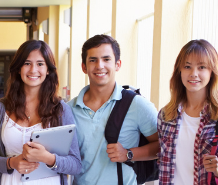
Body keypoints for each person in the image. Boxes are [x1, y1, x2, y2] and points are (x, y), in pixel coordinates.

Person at [0, 40, 81, 185]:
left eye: (40, 64)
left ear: (48, 69)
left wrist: (48, 158)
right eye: (27, 63)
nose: (33, 70)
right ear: (18, 68)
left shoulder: (60, 109)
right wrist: (11, 162)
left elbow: (75, 164)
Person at [68, 35, 159, 185]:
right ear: (84, 67)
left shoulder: (136, 105)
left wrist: (129, 154)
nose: (99, 66)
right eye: (93, 60)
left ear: (118, 64)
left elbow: (164, 146)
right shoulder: (69, 110)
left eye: (106, 59)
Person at [157, 40, 218, 185]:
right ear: (179, 70)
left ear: (212, 72)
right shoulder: (166, 115)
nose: (193, 74)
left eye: (202, 67)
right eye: (187, 66)